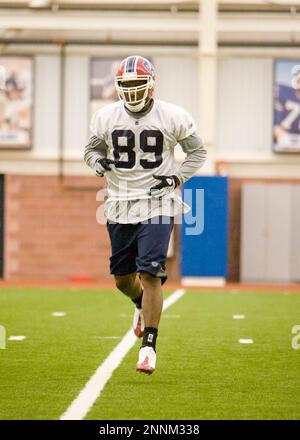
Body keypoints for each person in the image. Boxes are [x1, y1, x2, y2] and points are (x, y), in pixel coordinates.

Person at [84, 55, 207, 375]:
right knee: (123, 280)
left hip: (158, 203)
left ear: (151, 85)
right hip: (120, 203)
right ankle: (139, 304)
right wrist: (97, 163)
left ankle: (149, 347)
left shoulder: (173, 115)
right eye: (125, 85)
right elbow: (91, 150)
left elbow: (197, 151)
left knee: (151, 272)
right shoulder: (105, 117)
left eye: (137, 84)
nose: (132, 91)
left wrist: (178, 178)